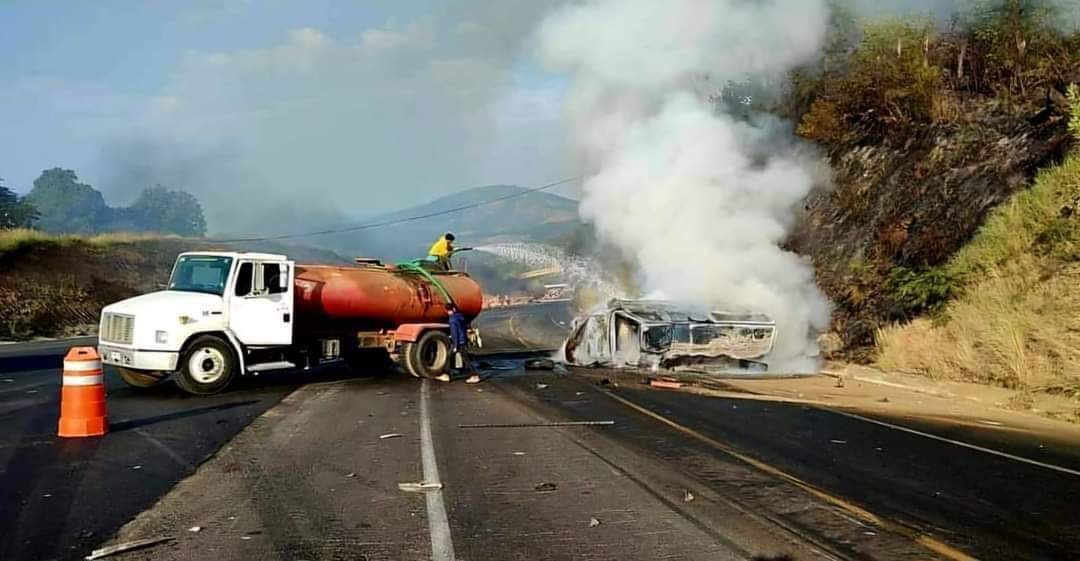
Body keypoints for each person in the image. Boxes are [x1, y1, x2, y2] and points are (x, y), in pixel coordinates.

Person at [435, 303, 480, 384]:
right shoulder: (460, 316)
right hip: (463, 340)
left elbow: (455, 333)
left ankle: (474, 375)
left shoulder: (452, 320)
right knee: (462, 358)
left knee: (453, 357)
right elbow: (465, 326)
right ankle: (446, 375)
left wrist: (455, 345)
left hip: (459, 342)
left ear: (448, 311)